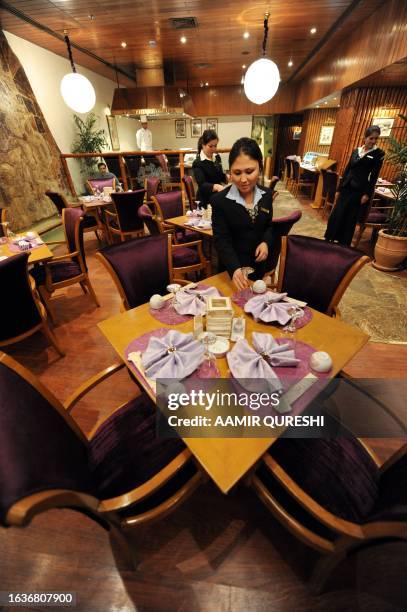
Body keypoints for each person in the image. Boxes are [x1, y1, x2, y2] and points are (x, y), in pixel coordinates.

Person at [212, 137, 274, 291]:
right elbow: (222, 240)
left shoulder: (267, 195)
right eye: (237, 173)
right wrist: (234, 269)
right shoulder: (220, 201)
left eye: (249, 171)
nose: (243, 179)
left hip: (258, 268)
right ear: (230, 171)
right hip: (231, 272)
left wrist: (265, 242)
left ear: (260, 167)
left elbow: (269, 226)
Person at [325, 126, 385, 246]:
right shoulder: (356, 150)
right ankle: (330, 237)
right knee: (338, 213)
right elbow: (347, 170)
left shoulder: (378, 154)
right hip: (346, 187)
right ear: (365, 137)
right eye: (371, 138)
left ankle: (344, 243)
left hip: (359, 190)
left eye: (376, 139)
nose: (373, 141)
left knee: (350, 217)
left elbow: (374, 176)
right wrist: (339, 188)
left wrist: (367, 194)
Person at [192, 129, 227, 207]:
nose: (214, 149)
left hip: (218, 197)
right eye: (210, 146)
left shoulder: (217, 157)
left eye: (215, 146)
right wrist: (217, 187)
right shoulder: (198, 163)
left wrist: (228, 177)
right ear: (203, 145)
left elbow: (220, 176)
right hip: (205, 200)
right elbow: (202, 184)